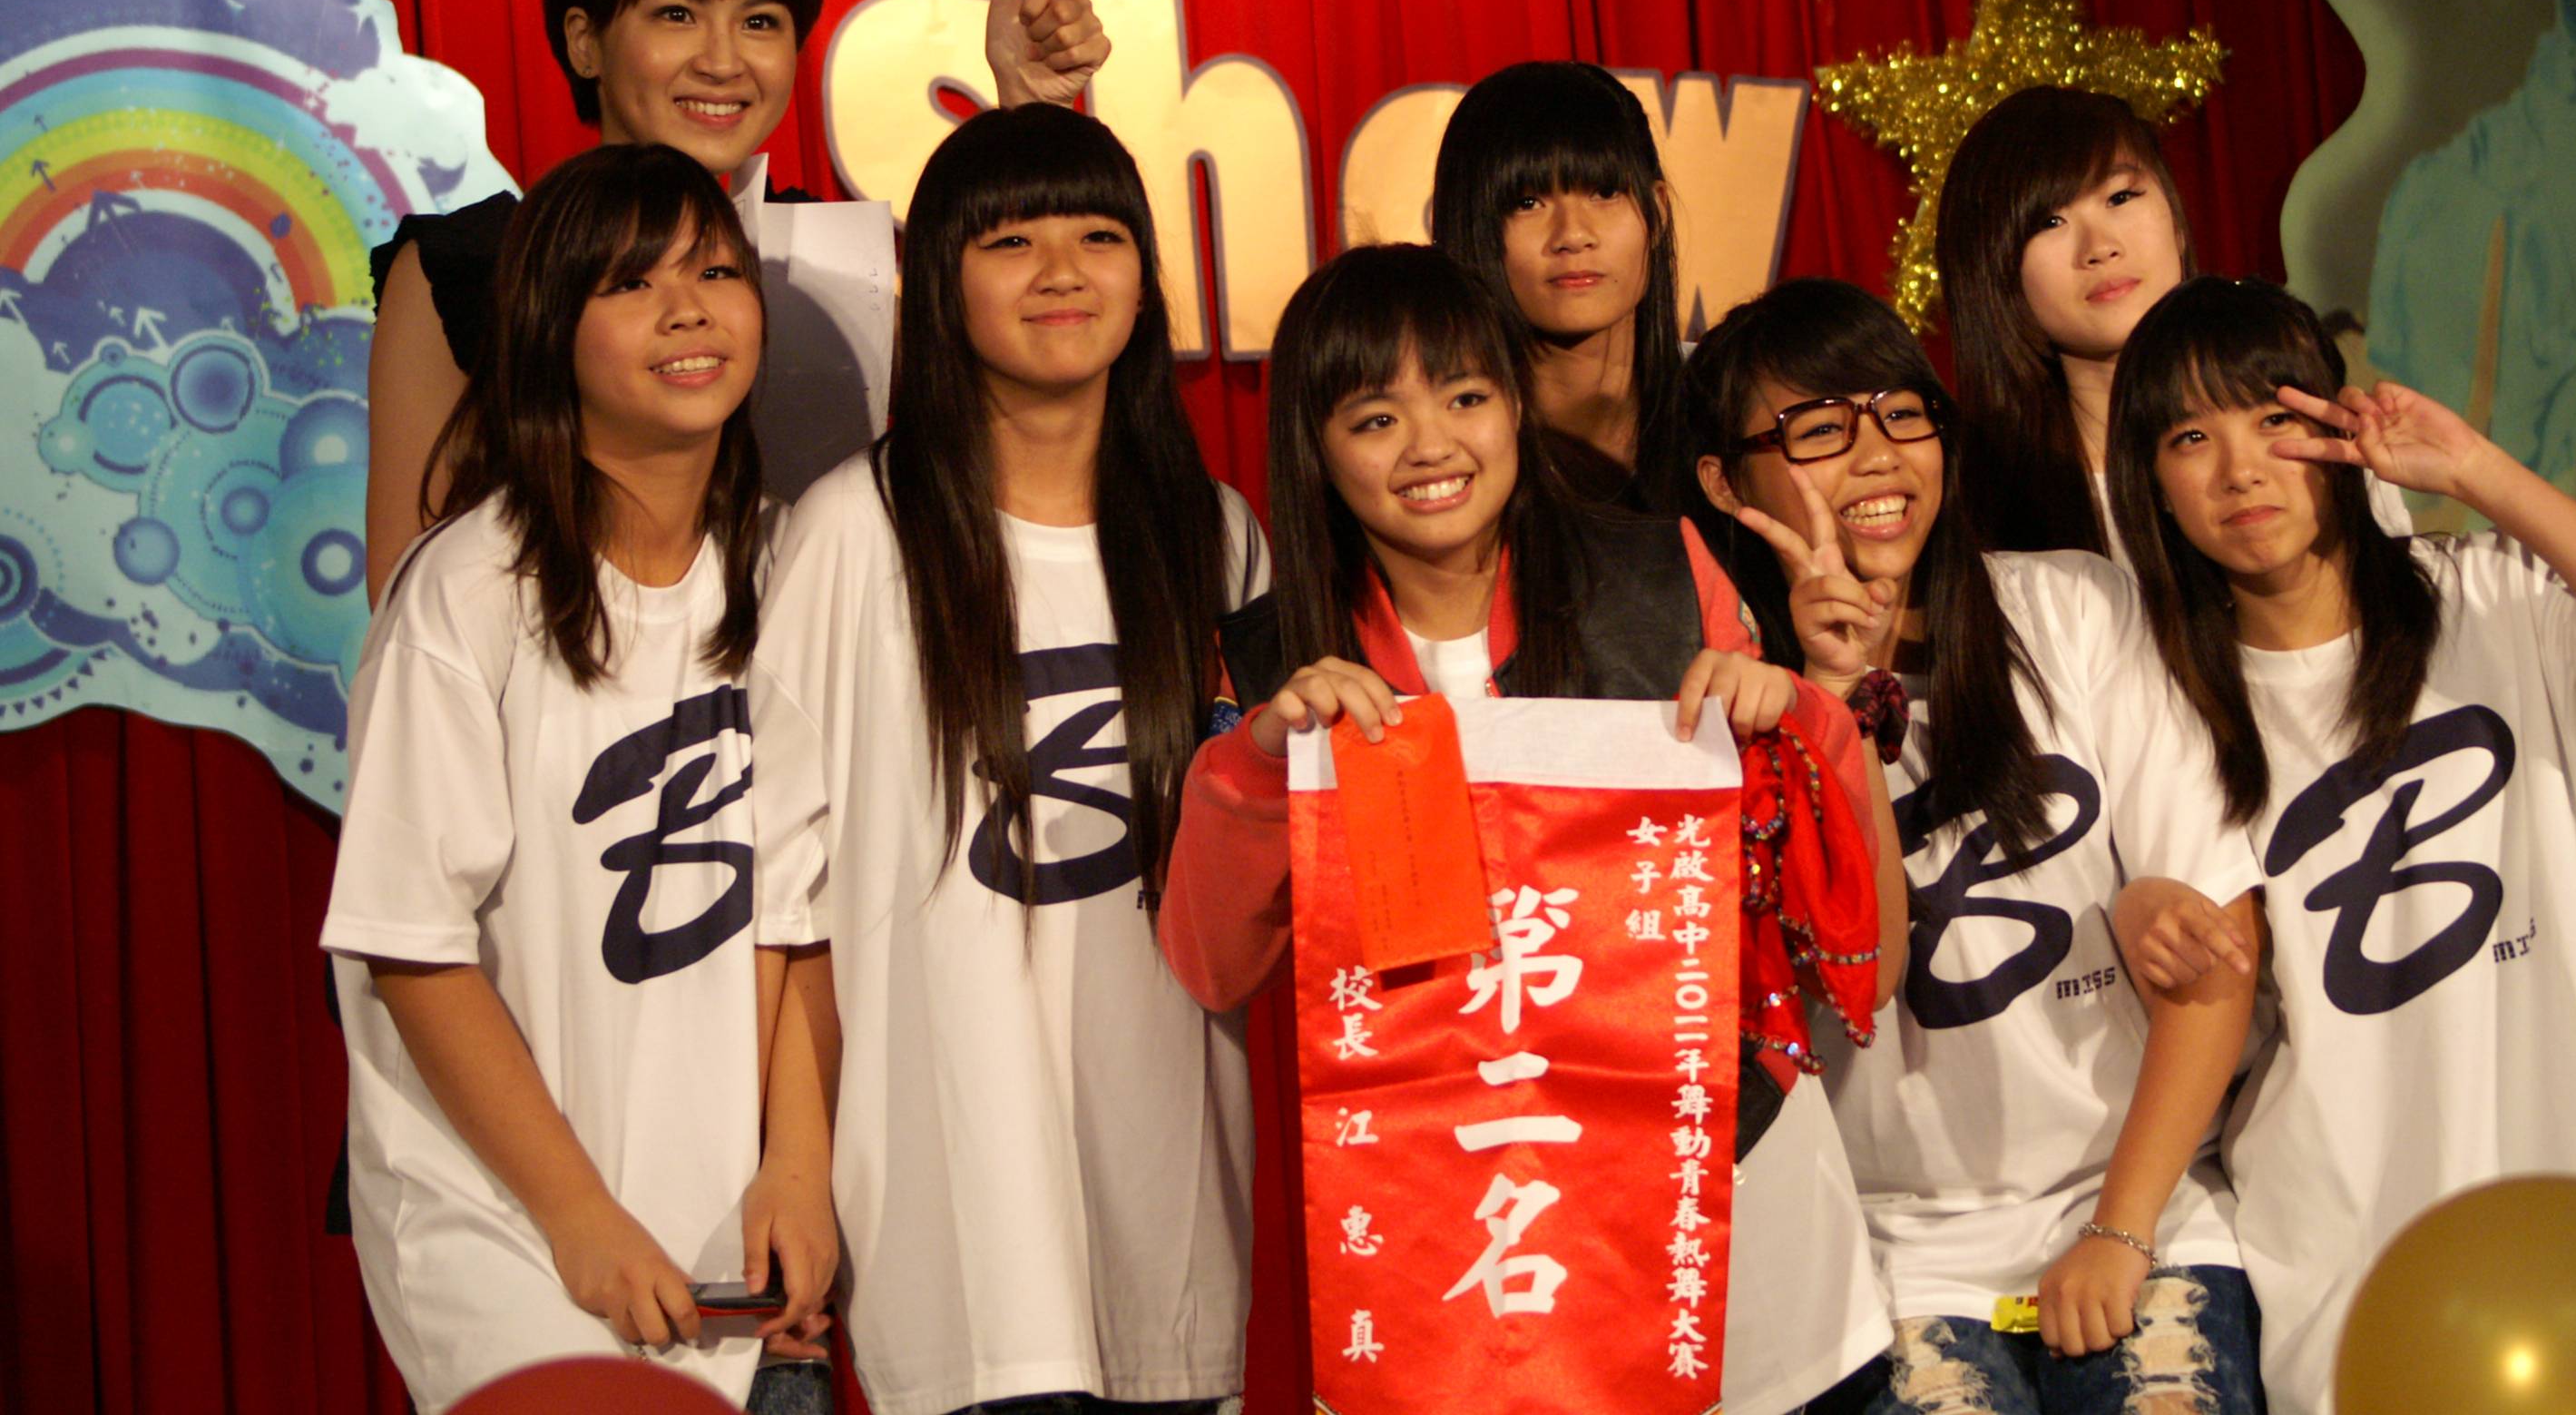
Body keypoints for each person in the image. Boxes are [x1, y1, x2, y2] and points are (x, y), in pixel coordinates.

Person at [1159, 241, 1900, 1415]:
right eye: (1375, 418)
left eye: (1464, 397)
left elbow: (1846, 928)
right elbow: (1211, 962)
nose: (1431, 446)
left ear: (1514, 403)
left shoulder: (1660, 575)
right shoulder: (1270, 662)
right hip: (1455, 1249)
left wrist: (1799, 712)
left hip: (1717, 1194)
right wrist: (1260, 760)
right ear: (1315, 447)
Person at [2102, 277, 2576, 1415]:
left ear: (2336, 429)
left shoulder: (2493, 601)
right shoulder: (2169, 702)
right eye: (2188, 437)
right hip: (2351, 1258)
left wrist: (2471, 469)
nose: (2239, 468)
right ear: (2147, 480)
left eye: (2272, 417)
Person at [748, 105, 1268, 1415]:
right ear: (942, 282)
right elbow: (782, 901)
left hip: (1169, 1226)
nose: (1061, 271)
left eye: (1099, 235)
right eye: (1011, 240)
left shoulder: (1216, 540)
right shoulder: (853, 534)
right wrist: (792, 1167)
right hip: (956, 1247)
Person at [1684, 278, 2271, 1415]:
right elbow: (1847, 981)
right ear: (1722, 479)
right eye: (1818, 428)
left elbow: (2217, 944)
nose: (1876, 456)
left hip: (2137, 1201)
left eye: (1901, 413)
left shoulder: (2073, 608)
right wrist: (1830, 694)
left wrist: (2120, 1227)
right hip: (1889, 1251)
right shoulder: (1722, 707)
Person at [321, 143, 834, 1414]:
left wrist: (798, 1166)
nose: (686, 309)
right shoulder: (467, 591)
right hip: (507, 1223)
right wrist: (577, 1214)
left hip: (720, 1234)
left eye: (715, 271)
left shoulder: (788, 575)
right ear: (549, 329)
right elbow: (412, 946)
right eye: (631, 283)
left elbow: (798, 919)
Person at [364, 0, 1111, 595]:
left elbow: (1015, 433)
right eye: (676, 13)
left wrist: (1028, 116)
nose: (723, 62)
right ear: (585, 41)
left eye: (759, 22)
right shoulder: (470, 265)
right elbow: (406, 584)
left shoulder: (830, 256)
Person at [1934, 85, 2407, 557]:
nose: (2100, 247)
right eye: (2049, 223)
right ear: (1992, 272)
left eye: (2120, 197)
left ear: (2176, 220)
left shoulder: (2317, 443)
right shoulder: (1971, 509)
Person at [1429, 59, 1689, 508]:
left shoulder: (1729, 405)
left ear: (1658, 212)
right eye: (1528, 202)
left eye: (1605, 192)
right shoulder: (1438, 452)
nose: (1573, 235)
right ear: (1468, 226)